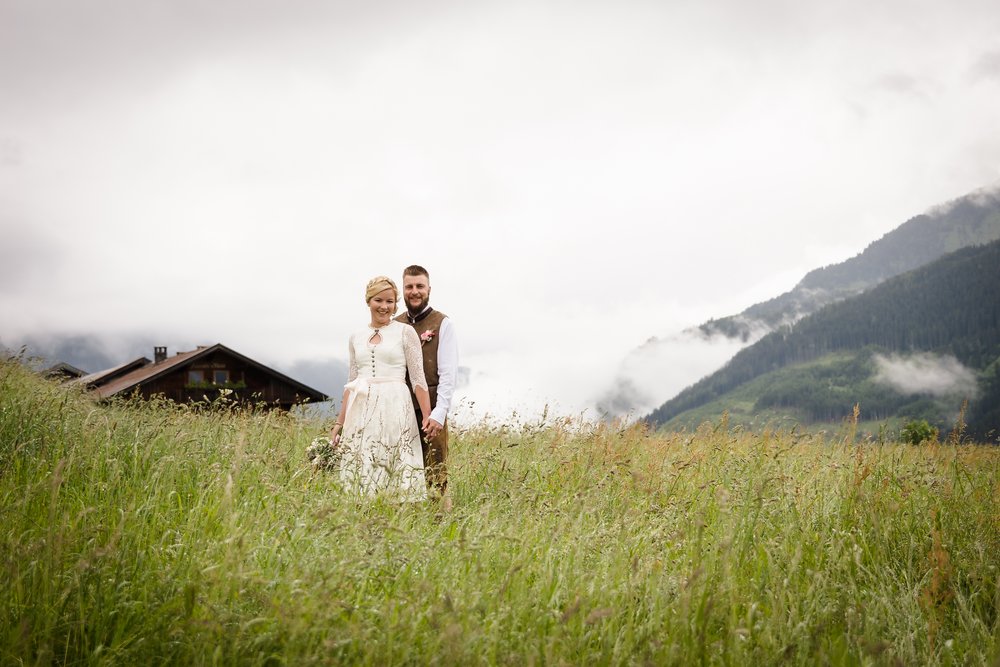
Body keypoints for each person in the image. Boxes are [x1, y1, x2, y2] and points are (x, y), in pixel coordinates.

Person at [330, 276, 433, 501]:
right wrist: (339, 423)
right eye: (379, 300)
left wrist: (427, 415)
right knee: (361, 466)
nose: (385, 307)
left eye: (390, 302)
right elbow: (351, 382)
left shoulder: (405, 333)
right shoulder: (355, 337)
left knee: (395, 463)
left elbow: (417, 379)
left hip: (395, 404)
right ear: (369, 301)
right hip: (362, 408)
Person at [395, 265, 459, 510]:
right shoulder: (395, 324)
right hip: (400, 410)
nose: (415, 291)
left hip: (431, 411)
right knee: (402, 473)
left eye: (419, 286)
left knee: (435, 474)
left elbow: (448, 374)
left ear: (429, 289)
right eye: (409, 287)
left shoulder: (443, 324)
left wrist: (439, 413)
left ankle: (440, 527)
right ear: (403, 290)